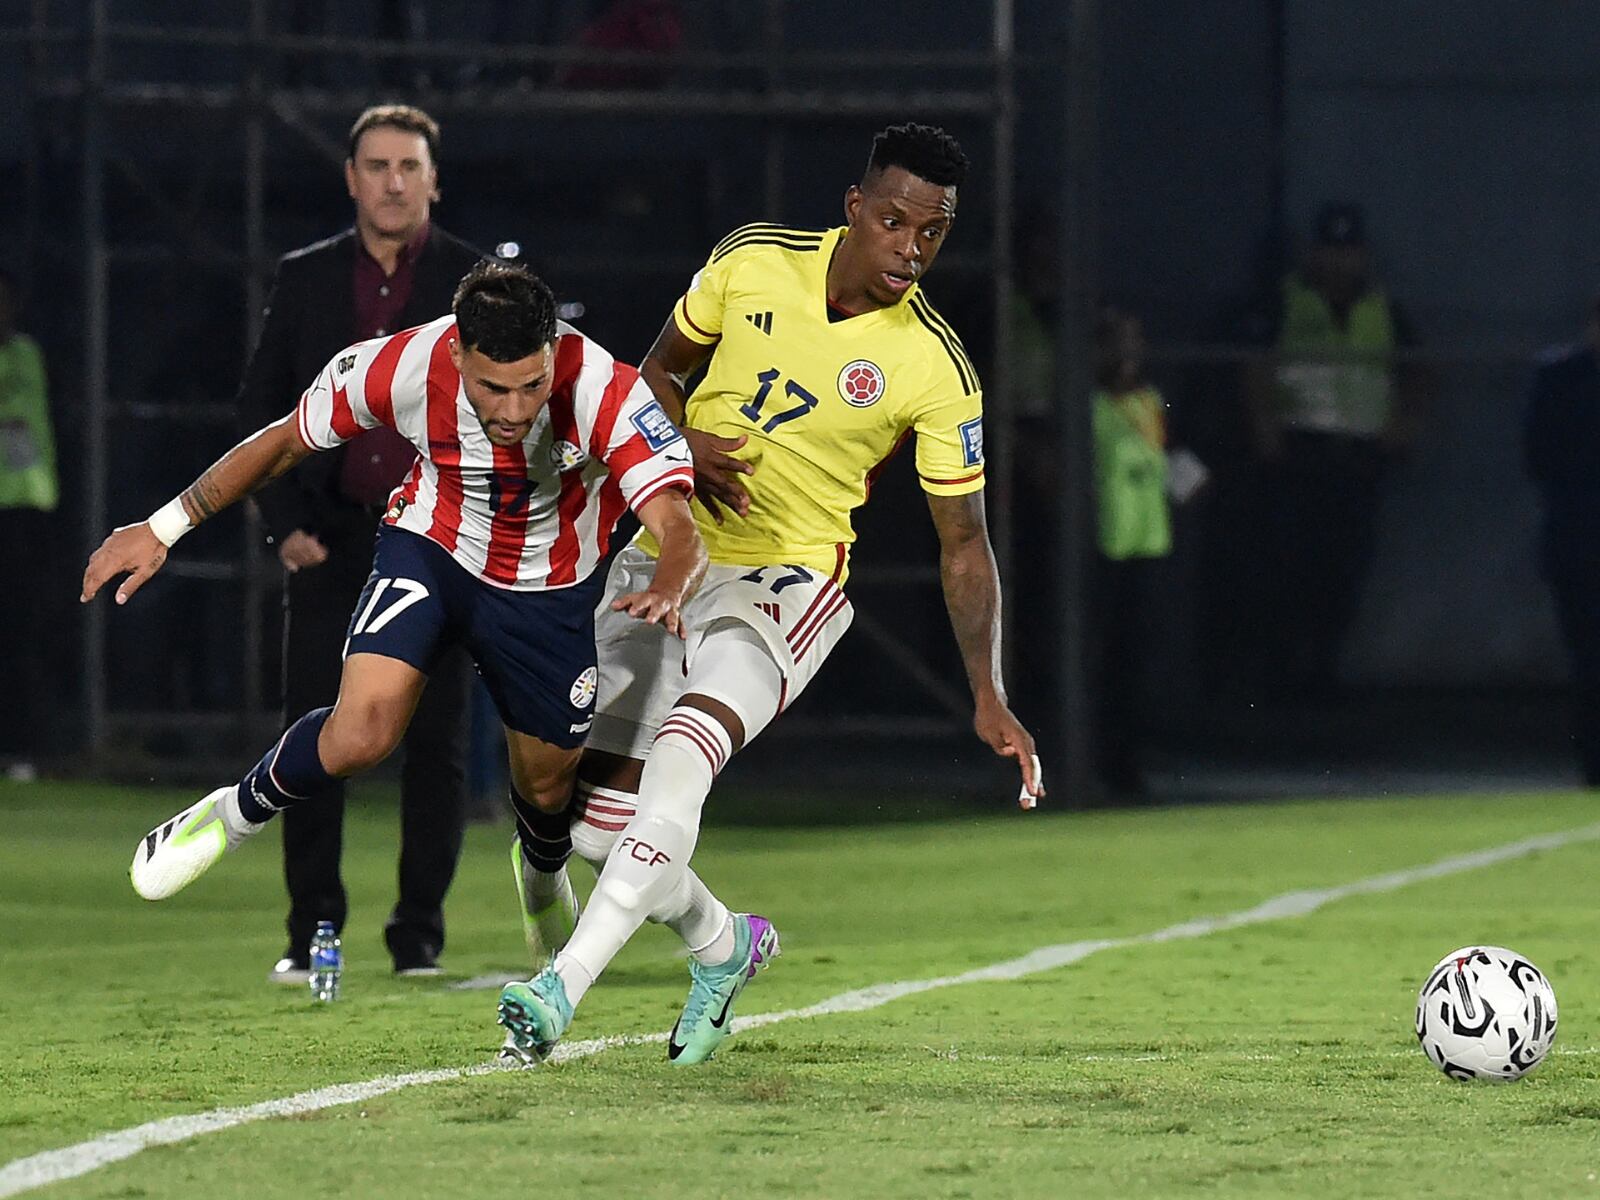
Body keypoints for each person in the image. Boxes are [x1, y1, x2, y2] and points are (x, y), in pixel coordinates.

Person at [496, 123, 1043, 1066]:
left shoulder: (936, 369)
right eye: (895, 222)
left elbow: (964, 544)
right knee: (592, 826)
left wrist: (987, 691)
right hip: (668, 552)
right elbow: (655, 375)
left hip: (789, 582)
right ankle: (724, 945)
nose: (912, 249)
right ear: (854, 209)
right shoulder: (752, 260)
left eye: (934, 233)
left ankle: (556, 993)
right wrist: (682, 450)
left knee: (685, 756)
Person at [82, 262, 707, 945]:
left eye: (531, 386)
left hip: (546, 591)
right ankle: (232, 814)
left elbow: (678, 524)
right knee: (362, 733)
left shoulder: (601, 388)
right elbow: (286, 440)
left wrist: (669, 584)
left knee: (549, 787)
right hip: (432, 551)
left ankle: (540, 872)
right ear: (456, 352)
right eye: (491, 388)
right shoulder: (402, 365)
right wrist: (164, 527)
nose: (514, 410)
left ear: (553, 353)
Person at [239, 105, 483, 980]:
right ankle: (310, 932)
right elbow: (263, 407)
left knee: (438, 745)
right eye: (376, 165)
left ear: (432, 179)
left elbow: (506, 414)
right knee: (312, 733)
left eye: (407, 166)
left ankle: (417, 933)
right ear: (350, 178)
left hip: (439, 544)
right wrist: (286, 524)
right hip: (331, 540)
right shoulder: (305, 279)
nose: (391, 181)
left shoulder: (473, 280)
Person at [1240, 203, 1426, 697]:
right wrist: (1266, 432)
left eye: (1348, 251)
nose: (1339, 262)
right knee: (1291, 564)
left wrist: (1403, 427)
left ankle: (1322, 670)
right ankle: (1283, 674)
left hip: (1360, 456)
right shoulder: (1284, 301)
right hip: (1302, 452)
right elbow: (1254, 367)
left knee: (1346, 569)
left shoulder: (1383, 308)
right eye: (1330, 251)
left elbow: (1418, 370)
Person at [1524, 296, 1600, 786]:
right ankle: (1594, 763)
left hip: (1576, 528)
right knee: (1589, 655)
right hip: (1580, 535)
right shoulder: (1560, 378)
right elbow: (1540, 456)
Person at [0, 267, 57, 780]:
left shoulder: (23, 355)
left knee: (20, 634)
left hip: (23, 511)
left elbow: (20, 417)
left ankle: (23, 749)